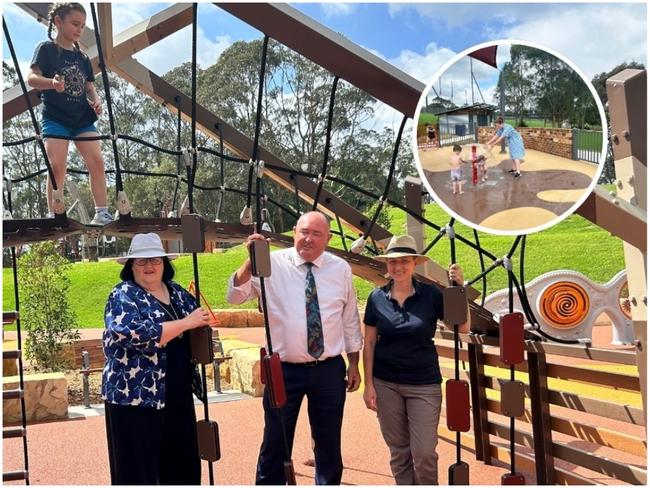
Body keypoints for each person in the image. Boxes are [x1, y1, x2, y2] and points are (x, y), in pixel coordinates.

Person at [227, 211, 363, 485]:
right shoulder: (270, 264)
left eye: (316, 234)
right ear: (293, 232)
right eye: (304, 232)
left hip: (328, 369)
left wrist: (354, 364)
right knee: (275, 441)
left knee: (328, 443)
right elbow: (234, 296)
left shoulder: (340, 269)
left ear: (329, 238)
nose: (308, 239)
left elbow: (349, 320)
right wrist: (249, 261)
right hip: (283, 370)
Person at [102, 233, 211, 484]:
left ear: (165, 263)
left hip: (177, 396)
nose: (149, 266)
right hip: (135, 401)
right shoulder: (123, 295)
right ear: (131, 266)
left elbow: (198, 319)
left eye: (154, 260)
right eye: (140, 262)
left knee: (182, 468)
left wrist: (198, 325)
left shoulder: (177, 292)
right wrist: (185, 323)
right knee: (138, 472)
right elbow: (132, 333)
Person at [362, 235, 470, 485]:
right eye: (393, 262)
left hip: (423, 383)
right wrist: (369, 385)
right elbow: (368, 343)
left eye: (405, 261)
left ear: (414, 264)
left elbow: (462, 327)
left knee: (423, 453)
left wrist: (459, 289)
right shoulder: (376, 298)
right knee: (399, 451)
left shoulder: (431, 295)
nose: (398, 267)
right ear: (386, 265)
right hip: (385, 382)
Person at [27, 3, 112, 225]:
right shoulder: (45, 49)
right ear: (58, 22)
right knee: (57, 165)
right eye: (75, 24)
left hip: (82, 118)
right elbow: (31, 78)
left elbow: (89, 86)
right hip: (56, 117)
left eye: (83, 26)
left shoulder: (82, 58)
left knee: (96, 161)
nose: (79, 29)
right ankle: (56, 213)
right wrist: (52, 83)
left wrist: (96, 100)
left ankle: (102, 212)